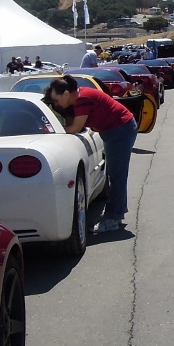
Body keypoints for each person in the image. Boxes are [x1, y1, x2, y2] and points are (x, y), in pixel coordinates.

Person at [44, 74, 137, 233]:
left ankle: (113, 218)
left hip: (120, 130)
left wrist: (52, 130)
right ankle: (117, 212)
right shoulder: (80, 96)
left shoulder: (82, 99)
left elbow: (74, 128)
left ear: (66, 94)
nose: (56, 103)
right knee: (116, 175)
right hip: (115, 131)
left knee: (117, 175)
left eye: (57, 100)